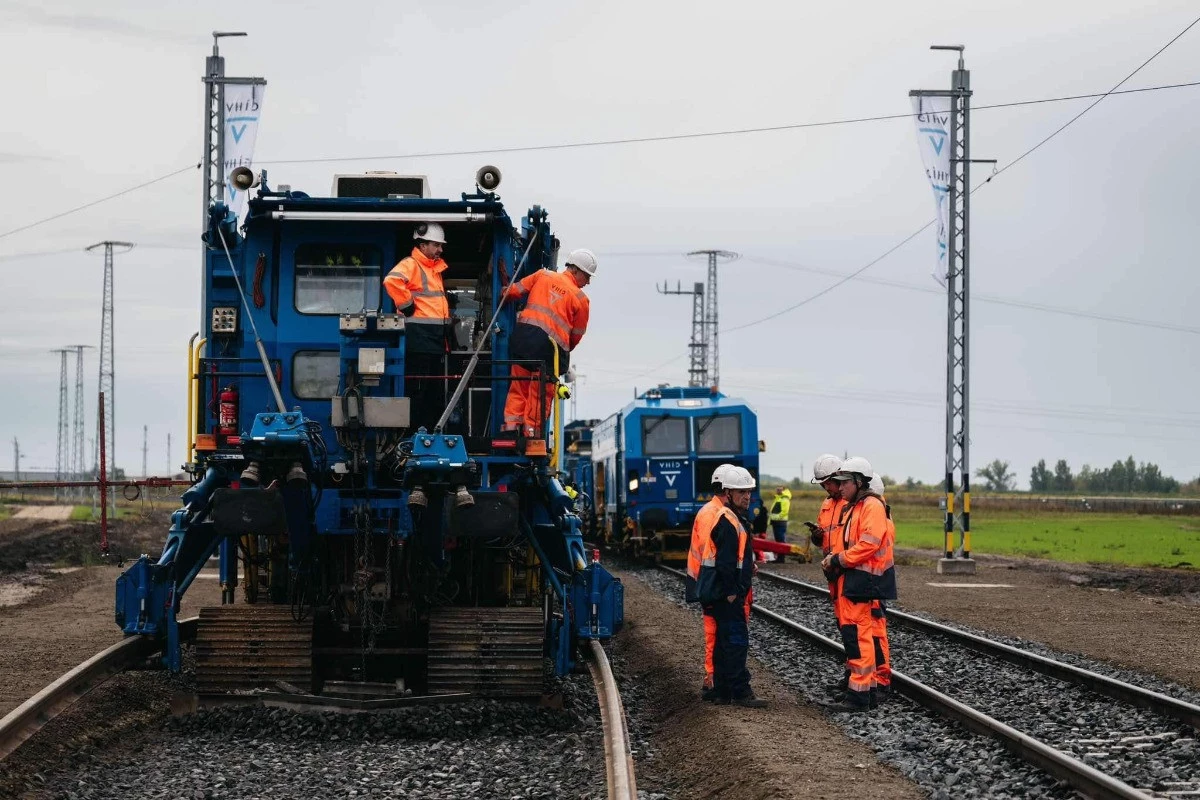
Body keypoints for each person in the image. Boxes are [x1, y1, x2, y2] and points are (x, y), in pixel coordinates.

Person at [819, 457, 896, 712]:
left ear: (859, 482)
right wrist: (833, 559)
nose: (839, 488)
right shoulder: (856, 506)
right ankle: (866, 692)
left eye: (844, 483)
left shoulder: (871, 506)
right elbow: (848, 541)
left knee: (861, 636)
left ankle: (861, 695)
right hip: (856, 579)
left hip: (866, 580)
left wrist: (839, 559)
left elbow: (869, 543)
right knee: (857, 635)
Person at [687, 466, 767, 708]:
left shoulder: (729, 517)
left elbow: (733, 557)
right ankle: (741, 692)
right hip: (724, 592)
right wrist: (733, 592)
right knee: (735, 641)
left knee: (723, 642)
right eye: (741, 492)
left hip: (715, 589)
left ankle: (722, 692)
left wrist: (745, 568)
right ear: (727, 492)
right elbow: (724, 561)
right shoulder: (727, 519)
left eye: (749, 491)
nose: (747, 496)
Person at [501, 249, 596, 440]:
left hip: (523, 341)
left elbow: (512, 292)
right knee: (539, 394)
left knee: (519, 386)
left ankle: (511, 428)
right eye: (587, 276)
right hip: (549, 351)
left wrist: (502, 287)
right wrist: (563, 350)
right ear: (576, 271)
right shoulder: (581, 299)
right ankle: (531, 434)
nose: (588, 282)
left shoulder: (542, 275)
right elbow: (576, 335)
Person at [384, 222, 451, 431]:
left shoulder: (433, 269)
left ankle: (427, 431)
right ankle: (414, 434)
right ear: (422, 245)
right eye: (436, 245)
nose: (440, 249)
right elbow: (391, 281)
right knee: (418, 391)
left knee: (432, 391)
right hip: (419, 340)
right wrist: (408, 305)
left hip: (433, 340)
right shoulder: (411, 264)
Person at [803, 454, 848, 692]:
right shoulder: (827, 504)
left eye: (827, 483)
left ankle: (859, 676)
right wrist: (817, 537)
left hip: (847, 570)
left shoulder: (851, 504)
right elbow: (826, 535)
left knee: (853, 626)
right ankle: (852, 672)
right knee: (843, 624)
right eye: (822, 484)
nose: (825, 488)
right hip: (832, 572)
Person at [690, 463, 734, 701]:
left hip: (710, 584)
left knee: (717, 633)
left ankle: (715, 677)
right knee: (715, 634)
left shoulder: (713, 511)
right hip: (713, 586)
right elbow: (717, 554)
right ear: (727, 491)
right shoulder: (713, 515)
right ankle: (713, 678)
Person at [867, 472, 893, 697]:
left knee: (876, 634)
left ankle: (881, 680)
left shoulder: (879, 517)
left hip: (875, 583)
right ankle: (874, 679)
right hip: (874, 582)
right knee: (871, 634)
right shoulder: (883, 514)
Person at [768, 485, 792, 562]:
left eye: (779, 489)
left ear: (783, 490)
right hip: (776, 522)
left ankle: (781, 558)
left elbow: (784, 512)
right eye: (777, 489)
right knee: (778, 541)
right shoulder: (778, 498)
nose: (777, 491)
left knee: (781, 541)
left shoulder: (784, 499)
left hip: (780, 522)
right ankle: (779, 558)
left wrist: (776, 518)